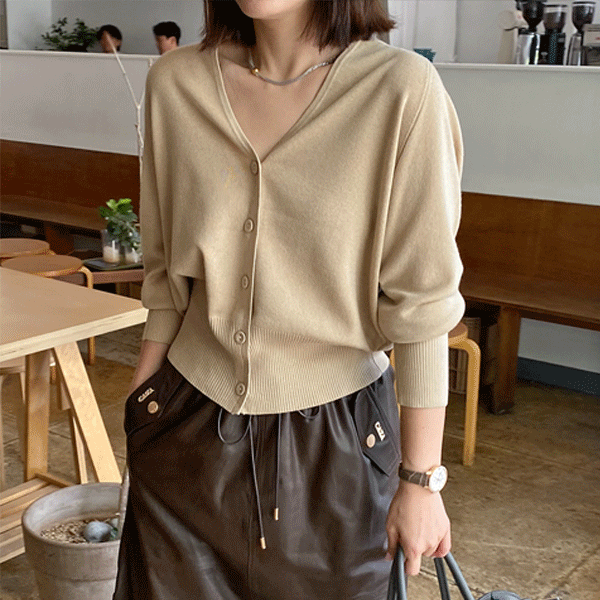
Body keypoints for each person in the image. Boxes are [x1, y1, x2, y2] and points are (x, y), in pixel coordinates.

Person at [113, 0, 464, 598]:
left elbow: (423, 302)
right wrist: (142, 416)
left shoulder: (401, 90)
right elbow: (167, 275)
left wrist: (421, 479)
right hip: (185, 425)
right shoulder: (174, 84)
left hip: (339, 445)